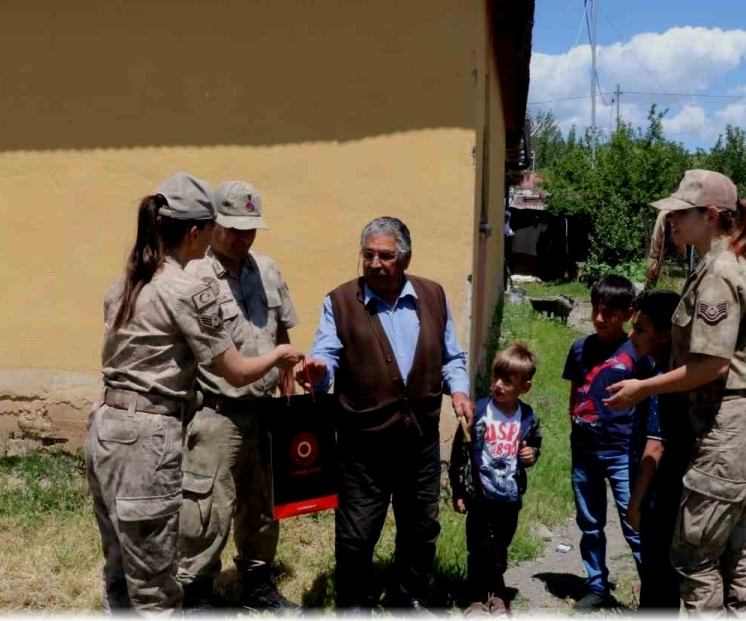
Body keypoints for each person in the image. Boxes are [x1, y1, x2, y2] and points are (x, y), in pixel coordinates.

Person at [87, 172, 303, 617]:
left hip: (107, 428)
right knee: (156, 588)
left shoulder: (127, 281)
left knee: (119, 572)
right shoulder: (190, 287)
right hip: (148, 435)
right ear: (196, 232)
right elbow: (235, 371)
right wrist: (281, 356)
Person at [603, 169, 746, 617]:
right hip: (737, 424)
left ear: (711, 215)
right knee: (733, 547)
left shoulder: (719, 272)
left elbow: (712, 364)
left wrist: (642, 388)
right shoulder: (720, 264)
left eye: (681, 213)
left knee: (694, 554)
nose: (672, 221)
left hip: (728, 428)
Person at [295, 216, 474, 612]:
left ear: (405, 258)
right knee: (356, 534)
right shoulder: (340, 302)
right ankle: (353, 604)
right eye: (368, 255)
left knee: (421, 528)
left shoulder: (433, 296)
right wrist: (319, 372)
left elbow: (451, 358)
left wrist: (460, 390)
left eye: (386, 256)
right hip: (363, 446)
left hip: (420, 442)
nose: (375, 263)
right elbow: (326, 355)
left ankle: (407, 598)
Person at [177, 181, 300, 611]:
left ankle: (258, 584)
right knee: (207, 506)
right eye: (232, 228)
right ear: (212, 225)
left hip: (265, 409)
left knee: (263, 503)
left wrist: (287, 372)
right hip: (219, 410)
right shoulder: (195, 277)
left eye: (249, 229)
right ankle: (196, 592)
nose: (242, 237)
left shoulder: (267, 270)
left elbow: (281, 330)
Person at [562, 274, 642, 610]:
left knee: (634, 523)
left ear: (628, 313)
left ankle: (654, 592)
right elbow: (574, 395)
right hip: (585, 451)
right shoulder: (579, 348)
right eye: (595, 308)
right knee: (590, 523)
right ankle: (596, 585)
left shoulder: (637, 352)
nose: (599, 317)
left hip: (623, 452)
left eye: (609, 312)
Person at [449, 341, 543, 617]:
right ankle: (475, 598)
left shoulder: (527, 417)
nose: (498, 385)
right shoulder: (479, 412)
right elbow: (460, 451)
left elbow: (535, 444)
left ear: (525, 387)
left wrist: (531, 454)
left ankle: (497, 594)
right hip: (481, 495)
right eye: (495, 377)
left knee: (499, 547)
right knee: (478, 548)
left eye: (507, 381)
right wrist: (458, 490)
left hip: (509, 497)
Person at [620, 289, 686, 611]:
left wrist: (635, 504)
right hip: (664, 499)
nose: (631, 336)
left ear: (664, 334)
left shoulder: (660, 380)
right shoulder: (664, 373)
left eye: (640, 329)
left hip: (658, 501)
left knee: (657, 584)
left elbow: (655, 447)